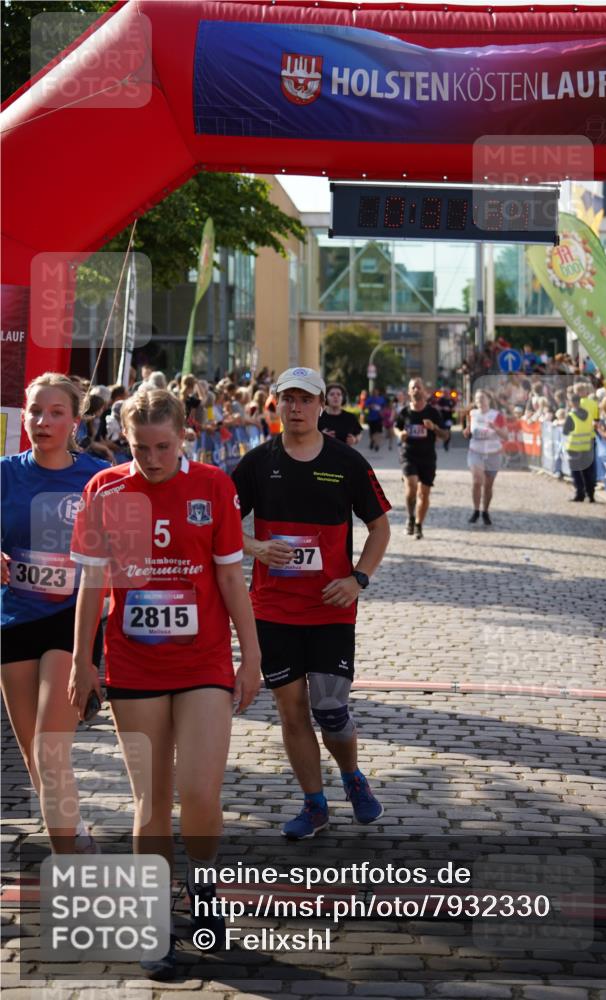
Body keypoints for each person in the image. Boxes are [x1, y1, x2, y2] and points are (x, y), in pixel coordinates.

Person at [68, 388, 261, 978]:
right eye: (139, 447)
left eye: (163, 446)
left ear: (185, 436)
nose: (152, 459)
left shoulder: (212, 487)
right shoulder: (106, 490)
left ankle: (203, 892)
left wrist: (250, 656)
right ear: (124, 441)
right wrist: (82, 660)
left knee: (200, 793)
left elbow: (231, 581)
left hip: (203, 659)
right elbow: (93, 587)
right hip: (134, 664)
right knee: (151, 801)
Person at [232, 367, 391, 840]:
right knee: (291, 709)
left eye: (306, 399)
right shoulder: (257, 463)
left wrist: (358, 577)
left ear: (322, 405)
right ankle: (314, 804)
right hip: (273, 608)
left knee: (330, 707)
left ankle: (352, 777)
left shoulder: (347, 461)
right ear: (275, 404)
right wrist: (256, 547)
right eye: (288, 399)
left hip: (330, 607)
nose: (296, 408)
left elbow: (379, 528)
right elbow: (220, 524)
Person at [1, 373, 107, 854]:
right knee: (35, 758)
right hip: (13, 619)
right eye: (34, 411)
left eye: (55, 412)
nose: (42, 421)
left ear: (75, 421)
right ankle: (76, 835)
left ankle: (76, 866)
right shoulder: (5, 472)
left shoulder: (95, 478)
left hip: (72, 617)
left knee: (49, 750)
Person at [394, 378, 448, 539]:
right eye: (413, 387)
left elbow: (445, 435)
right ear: (409, 392)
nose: (416, 389)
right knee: (411, 487)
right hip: (408, 454)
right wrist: (400, 435)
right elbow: (396, 427)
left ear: (424, 391)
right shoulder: (404, 412)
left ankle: (418, 524)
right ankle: (410, 517)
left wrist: (434, 428)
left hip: (427, 457)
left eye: (419, 387)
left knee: (424, 494)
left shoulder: (433, 413)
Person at [462, 389, 508, 525]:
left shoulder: (496, 415)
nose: (480, 402)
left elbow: (505, 436)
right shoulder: (472, 414)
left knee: (488, 486)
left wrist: (496, 428)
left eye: (482, 399)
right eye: (477, 399)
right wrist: (466, 432)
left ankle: (485, 511)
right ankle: (476, 510)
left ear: (489, 400)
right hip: (475, 452)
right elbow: (469, 431)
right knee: (477, 481)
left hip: (493, 454)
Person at [563, 389, 597, 502]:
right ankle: (591, 494)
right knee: (588, 472)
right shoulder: (588, 414)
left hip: (574, 448)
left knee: (576, 473)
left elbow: (565, 431)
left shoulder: (571, 415)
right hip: (587, 447)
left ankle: (580, 494)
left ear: (572, 402)